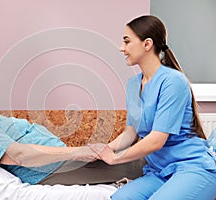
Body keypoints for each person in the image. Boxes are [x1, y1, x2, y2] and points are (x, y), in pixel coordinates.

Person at [0, 63, 144, 185]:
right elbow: (20, 156)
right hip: (49, 172)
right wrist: (78, 151)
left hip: (57, 163)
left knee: (133, 154)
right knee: (140, 164)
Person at [89, 15, 216, 200]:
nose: (121, 48)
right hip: (160, 171)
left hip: (192, 168)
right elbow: (131, 132)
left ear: (147, 44)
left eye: (127, 41)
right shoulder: (133, 85)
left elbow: (157, 140)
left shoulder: (173, 81)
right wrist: (103, 149)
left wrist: (116, 158)